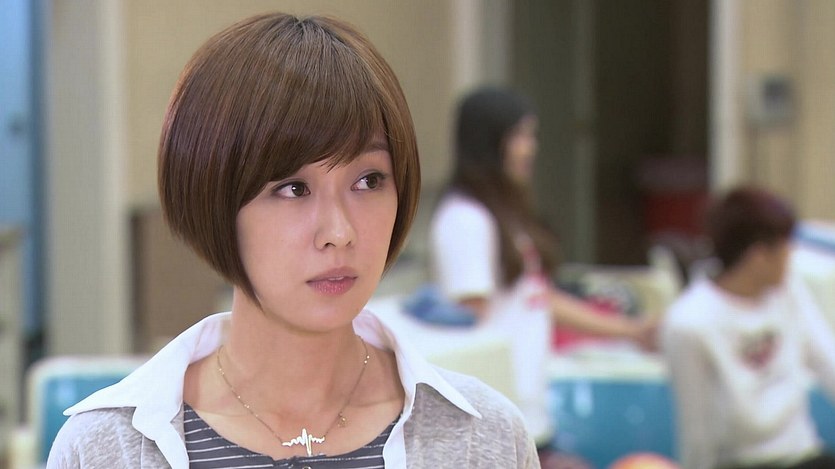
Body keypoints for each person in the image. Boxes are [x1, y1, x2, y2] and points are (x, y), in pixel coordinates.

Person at [47, 13, 539, 468]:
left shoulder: (482, 439)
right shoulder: (107, 448)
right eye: (293, 189)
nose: (339, 233)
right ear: (212, 198)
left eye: (368, 181)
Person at [429, 86, 656, 447]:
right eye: (520, 136)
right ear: (489, 141)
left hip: (530, 414)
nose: (530, 148)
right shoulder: (464, 219)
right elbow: (470, 326)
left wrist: (631, 331)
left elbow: (538, 300)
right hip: (493, 422)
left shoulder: (504, 215)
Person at [660, 186, 835, 469]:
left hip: (802, 456)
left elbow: (828, 362)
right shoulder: (690, 322)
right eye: (785, 247)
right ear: (758, 256)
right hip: (739, 462)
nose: (791, 255)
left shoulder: (788, 290)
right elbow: (696, 428)